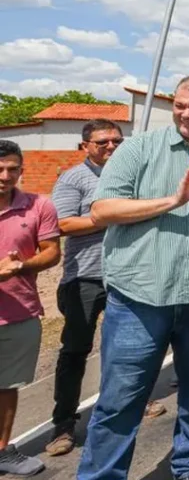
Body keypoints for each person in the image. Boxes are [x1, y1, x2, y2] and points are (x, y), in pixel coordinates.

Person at [78, 75, 189, 480]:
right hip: (139, 298)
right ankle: (101, 475)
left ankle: (188, 467)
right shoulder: (138, 149)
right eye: (181, 106)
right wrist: (173, 200)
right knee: (120, 399)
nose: (187, 114)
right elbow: (102, 210)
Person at [46, 120, 160, 458]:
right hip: (85, 277)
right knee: (75, 350)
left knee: (128, 348)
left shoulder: (131, 175)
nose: (110, 147)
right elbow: (63, 223)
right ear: (84, 146)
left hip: (126, 274)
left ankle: (130, 402)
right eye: (102, 142)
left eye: (116, 141)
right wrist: (110, 215)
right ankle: (63, 422)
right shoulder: (74, 179)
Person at [0, 139, 61, 477]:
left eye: (12, 169)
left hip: (19, 313)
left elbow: (52, 251)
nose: (5, 176)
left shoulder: (40, 206)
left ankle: (3, 450)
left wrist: (22, 267)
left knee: (6, 385)